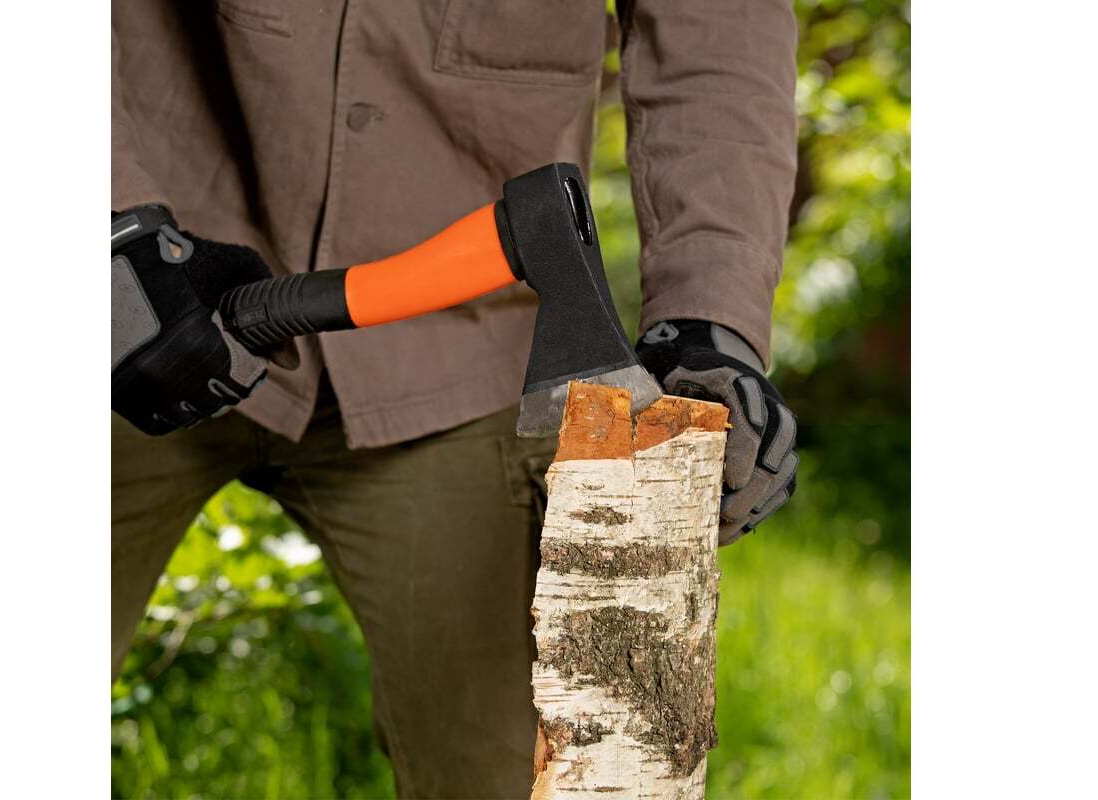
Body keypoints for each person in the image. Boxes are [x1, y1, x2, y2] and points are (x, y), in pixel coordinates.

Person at [112, 1, 799, 796]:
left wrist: (712, 319)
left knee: (535, 776)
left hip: (467, 355)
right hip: (142, 280)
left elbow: (716, 25)